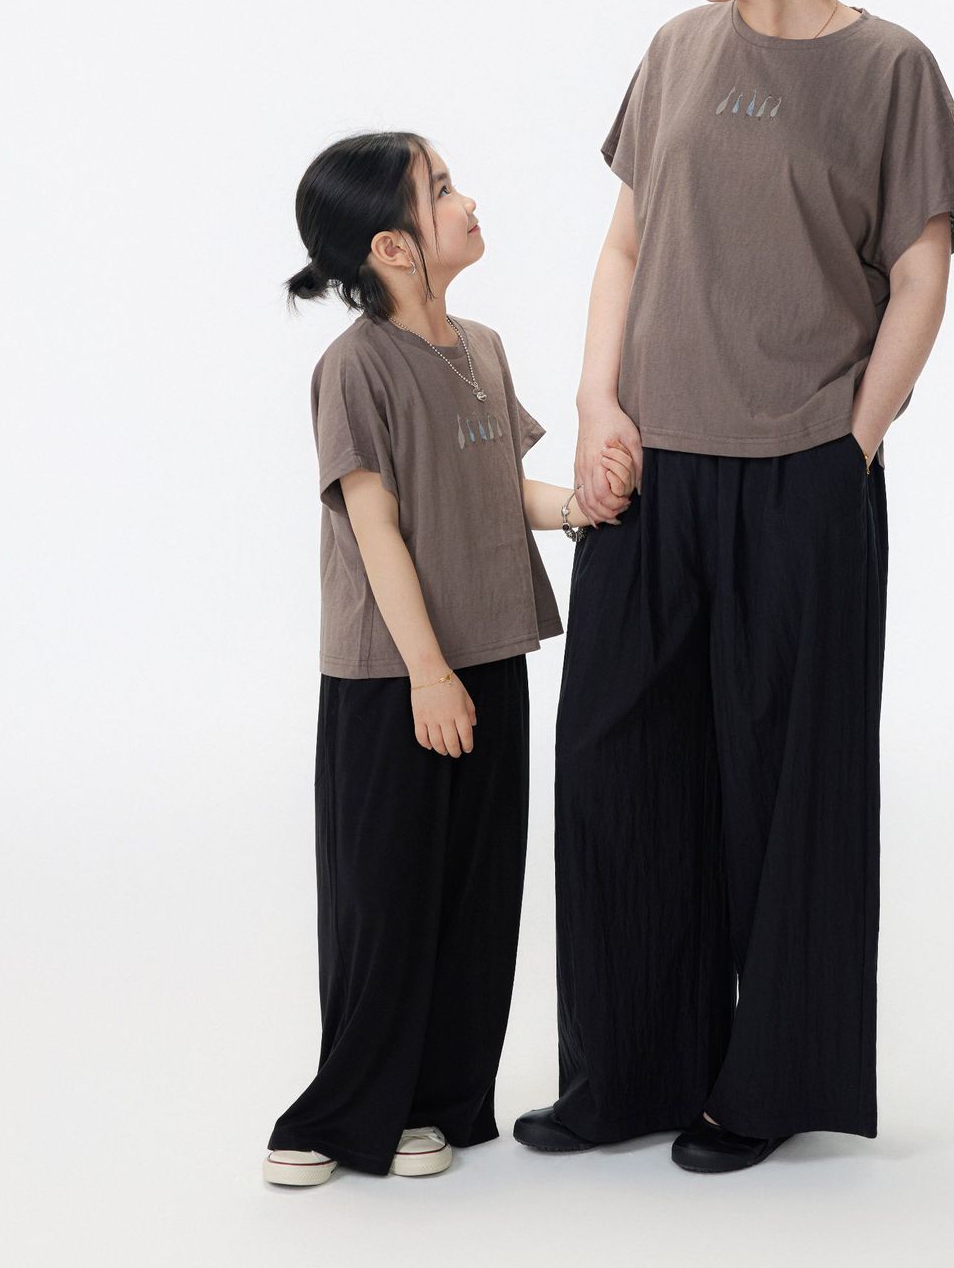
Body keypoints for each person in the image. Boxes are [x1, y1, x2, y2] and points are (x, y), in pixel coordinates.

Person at [514, 0, 954, 1174]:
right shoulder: (674, 52)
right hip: (648, 472)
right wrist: (595, 402)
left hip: (800, 475)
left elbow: (921, 276)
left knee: (787, 788)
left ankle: (764, 1085)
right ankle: (627, 1072)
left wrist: (856, 441)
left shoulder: (888, 68)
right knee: (616, 769)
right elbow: (624, 245)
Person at [264, 130, 634, 1184]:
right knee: (385, 902)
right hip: (395, 679)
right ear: (392, 247)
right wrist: (427, 674)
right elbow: (373, 527)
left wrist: (586, 507)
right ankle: (336, 1117)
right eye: (440, 191)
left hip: (491, 656)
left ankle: (432, 1103)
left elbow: (497, 492)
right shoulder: (353, 369)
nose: (466, 201)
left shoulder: (482, 347)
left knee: (476, 898)